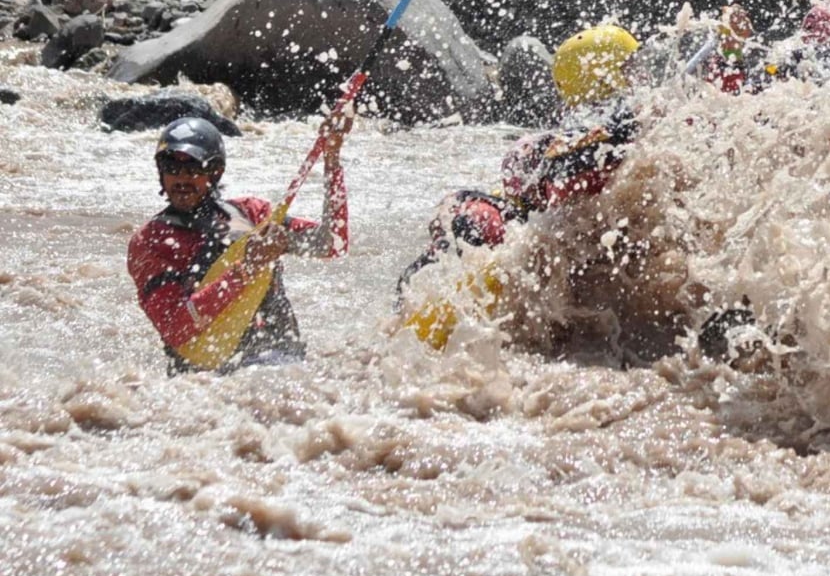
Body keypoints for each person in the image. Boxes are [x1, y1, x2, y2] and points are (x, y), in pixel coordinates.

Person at [398, 24, 645, 303]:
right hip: (528, 235)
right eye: (631, 67)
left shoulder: (627, 121)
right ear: (603, 77)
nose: (643, 76)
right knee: (473, 218)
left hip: (578, 245)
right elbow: (572, 169)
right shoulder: (569, 141)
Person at [127, 114, 351, 374]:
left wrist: (332, 159)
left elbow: (332, 244)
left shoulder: (252, 215)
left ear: (215, 172)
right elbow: (177, 327)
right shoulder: (151, 242)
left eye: (194, 169)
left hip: (283, 360)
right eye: (171, 168)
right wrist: (246, 269)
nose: (182, 180)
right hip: (205, 379)